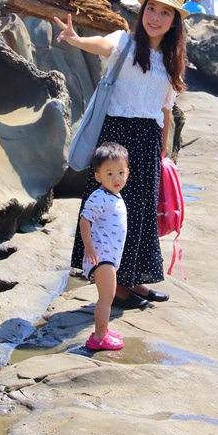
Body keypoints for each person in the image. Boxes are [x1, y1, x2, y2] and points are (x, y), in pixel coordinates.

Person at [54, 0, 188, 309]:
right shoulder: (125, 43)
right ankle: (116, 288)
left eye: (164, 13)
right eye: (151, 9)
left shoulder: (171, 59)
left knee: (140, 213)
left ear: (174, 22)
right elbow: (103, 44)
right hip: (118, 138)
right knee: (111, 215)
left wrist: (164, 150)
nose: (155, 17)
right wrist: (75, 39)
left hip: (147, 140)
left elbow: (165, 108)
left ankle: (134, 279)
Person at [77, 142, 131, 351]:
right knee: (106, 297)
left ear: (127, 172)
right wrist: (89, 246)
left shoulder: (114, 196)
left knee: (108, 296)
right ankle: (99, 337)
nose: (116, 178)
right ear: (98, 176)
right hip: (101, 256)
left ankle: (103, 330)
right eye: (109, 174)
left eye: (120, 172)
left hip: (109, 256)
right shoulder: (99, 196)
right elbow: (85, 220)